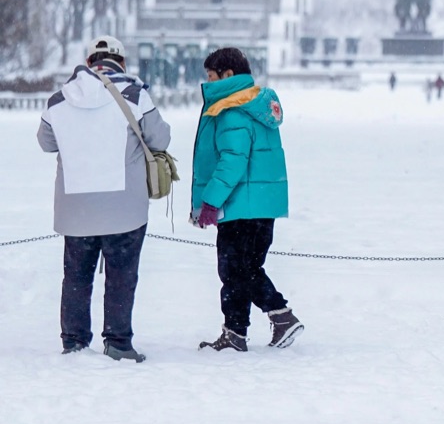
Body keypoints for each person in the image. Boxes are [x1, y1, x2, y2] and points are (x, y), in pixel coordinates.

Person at [37, 35, 172, 362]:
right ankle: (118, 342)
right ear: (121, 62)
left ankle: (74, 340)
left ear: (89, 61)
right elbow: (161, 138)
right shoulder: (135, 95)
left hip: (76, 207)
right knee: (122, 276)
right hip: (124, 207)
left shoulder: (59, 99)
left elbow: (45, 142)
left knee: (76, 277)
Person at [192, 47, 303, 352]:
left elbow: (232, 161)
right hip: (261, 204)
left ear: (227, 76)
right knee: (244, 269)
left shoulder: (232, 111)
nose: (208, 82)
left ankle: (281, 317)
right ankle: (235, 333)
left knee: (238, 271)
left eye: (211, 76)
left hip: (240, 205)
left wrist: (210, 202)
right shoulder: (255, 105)